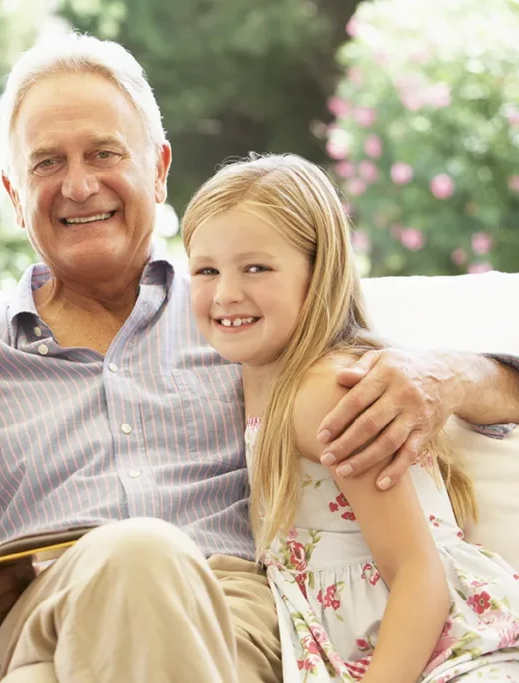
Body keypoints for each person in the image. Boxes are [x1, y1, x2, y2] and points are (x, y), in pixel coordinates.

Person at [0, 34, 519, 683]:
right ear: (12, 191)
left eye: (105, 152)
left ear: (160, 167)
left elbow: (392, 361)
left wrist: (447, 377)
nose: (80, 184)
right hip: (41, 619)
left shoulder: (247, 317)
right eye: (47, 163)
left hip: (230, 618)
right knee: (129, 558)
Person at [183, 153, 519, 682]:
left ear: (318, 276)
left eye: (256, 267)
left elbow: (418, 575)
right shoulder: (254, 374)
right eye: (206, 270)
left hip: (446, 650)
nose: (226, 293)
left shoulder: (325, 392)